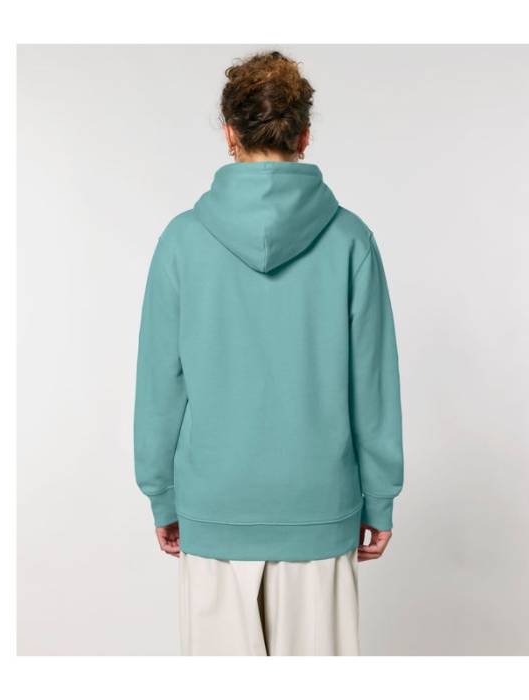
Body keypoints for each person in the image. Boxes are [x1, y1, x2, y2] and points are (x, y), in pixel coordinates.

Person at [134, 50, 404, 656]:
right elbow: (373, 383)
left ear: (230, 133)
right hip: (319, 507)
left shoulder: (181, 240)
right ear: (303, 136)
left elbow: (159, 385)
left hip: (214, 506)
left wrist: (162, 494)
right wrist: (380, 498)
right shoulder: (351, 240)